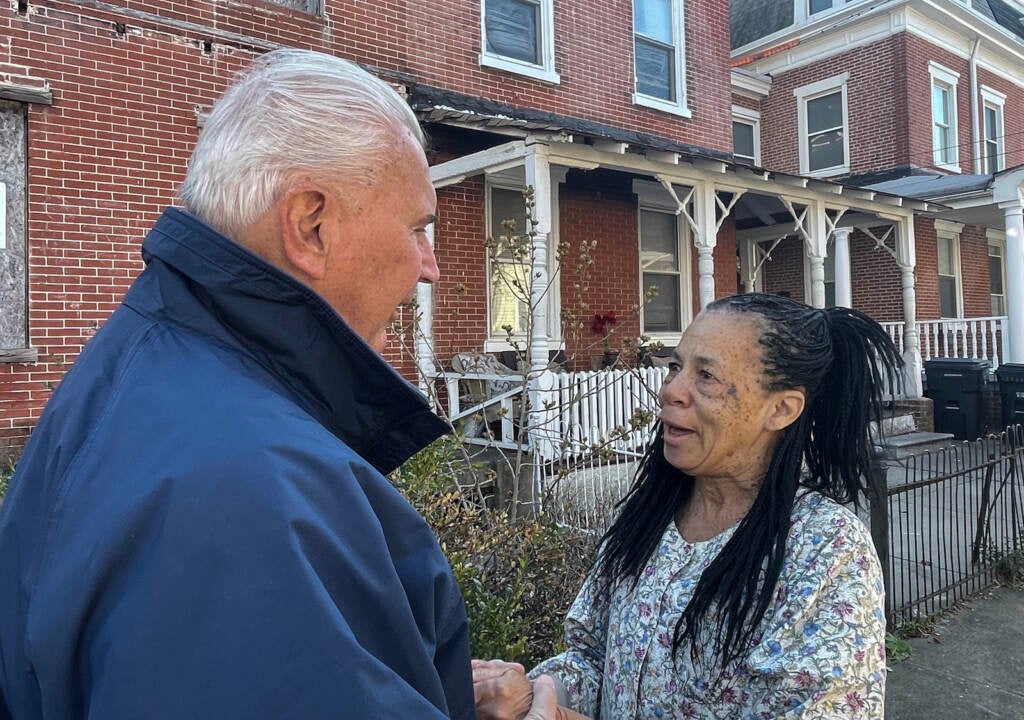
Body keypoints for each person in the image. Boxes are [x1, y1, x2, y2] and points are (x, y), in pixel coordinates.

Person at [0, 48, 556, 720]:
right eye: (417, 228)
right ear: (310, 225)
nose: (429, 267)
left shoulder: (148, 368)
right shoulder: (256, 493)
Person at [474, 293, 902, 720]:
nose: (671, 390)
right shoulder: (648, 516)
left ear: (781, 409)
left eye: (707, 376)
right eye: (676, 367)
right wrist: (536, 696)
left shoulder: (823, 549)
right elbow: (592, 657)